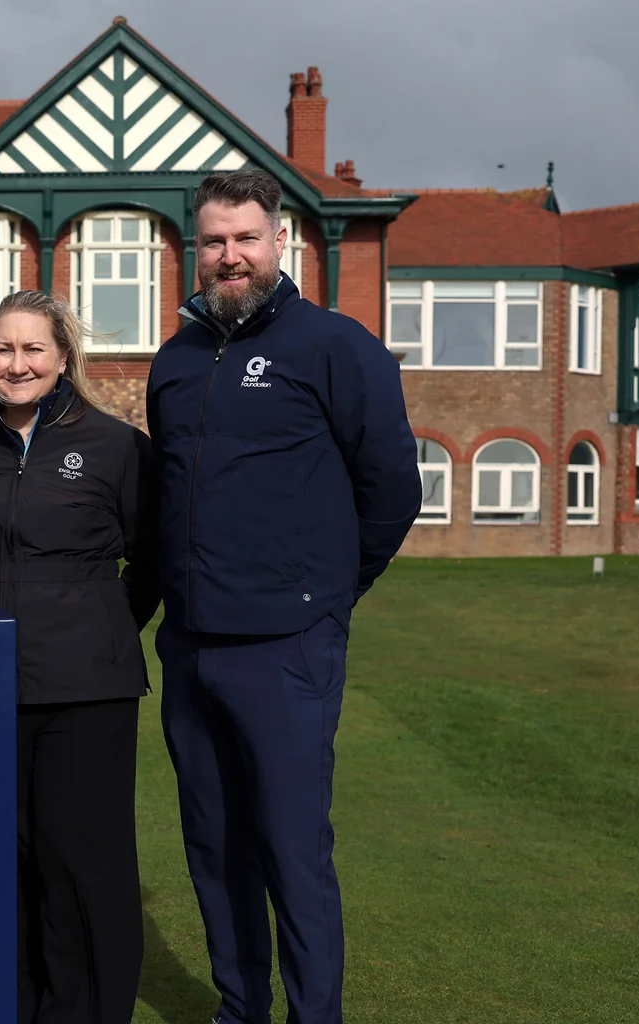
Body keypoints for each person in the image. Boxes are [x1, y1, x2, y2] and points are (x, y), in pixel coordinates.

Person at [146, 169, 420, 1024]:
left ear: (280, 244)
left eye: (246, 238)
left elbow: (392, 491)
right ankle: (241, 1010)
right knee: (214, 848)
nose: (231, 256)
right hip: (191, 645)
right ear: (199, 251)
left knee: (292, 850)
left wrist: (328, 595)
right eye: (215, 241)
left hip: (287, 645)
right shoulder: (177, 359)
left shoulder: (335, 346)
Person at [0, 290, 159, 1024]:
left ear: (63, 358)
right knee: (6, 858)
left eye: (32, 349)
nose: (17, 364)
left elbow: (149, 560)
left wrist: (101, 624)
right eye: (3, 349)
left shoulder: (117, 446)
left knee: (83, 863)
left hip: (88, 686)